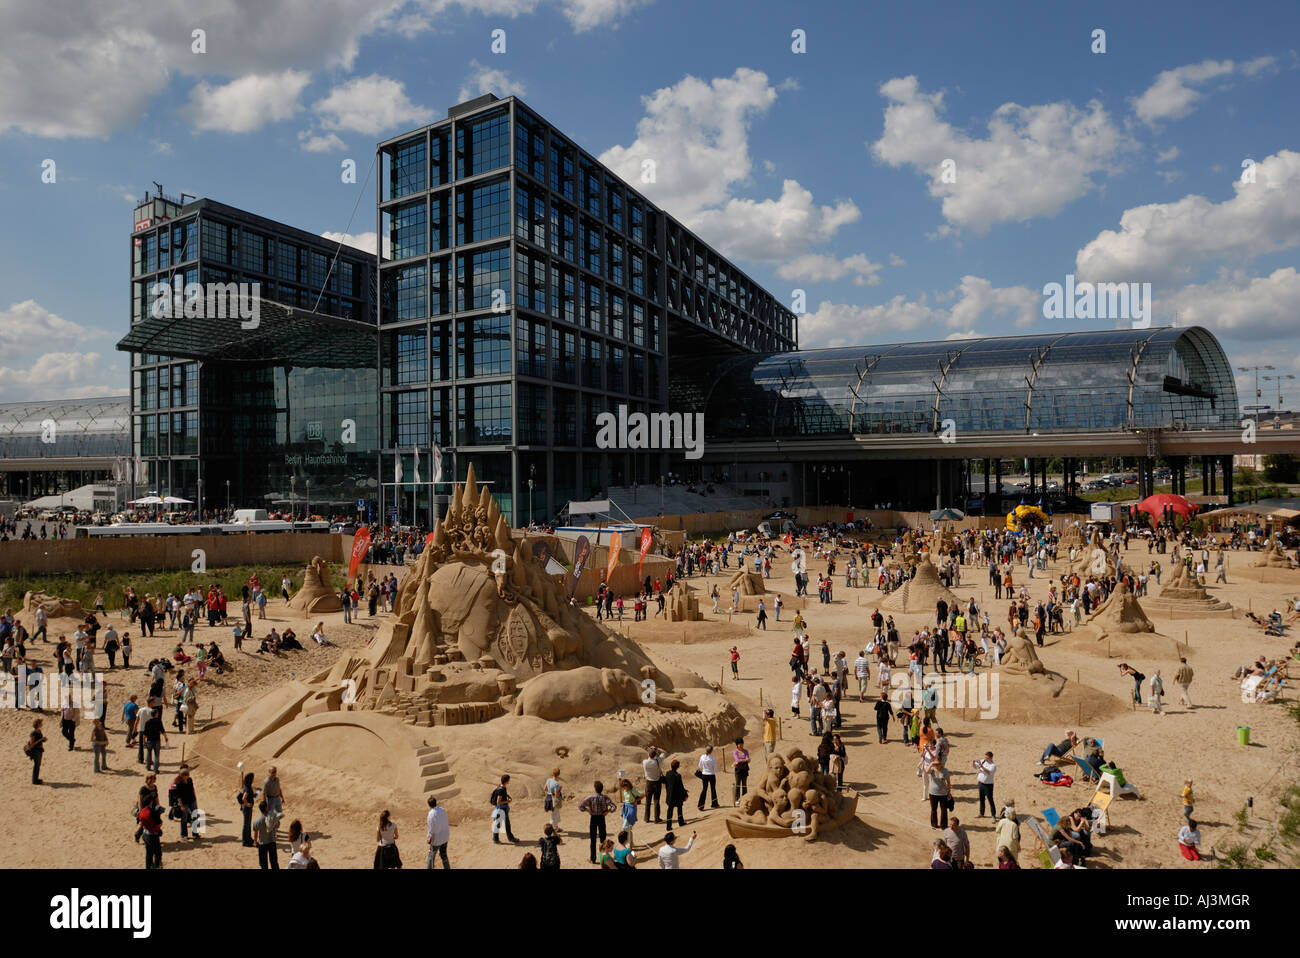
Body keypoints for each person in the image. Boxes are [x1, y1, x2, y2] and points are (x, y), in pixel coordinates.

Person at [577, 780, 616, 864]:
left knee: (593, 840)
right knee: (603, 839)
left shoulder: (591, 798)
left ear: (595, 788)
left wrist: (587, 810)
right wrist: (608, 811)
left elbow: (580, 806)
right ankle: (605, 858)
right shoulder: (605, 798)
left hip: (593, 818)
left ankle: (593, 859)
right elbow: (614, 807)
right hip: (602, 818)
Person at [138, 786, 163, 869]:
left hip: (145, 834)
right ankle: (157, 867)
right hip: (153, 835)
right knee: (157, 853)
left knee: (148, 854)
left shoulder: (141, 812)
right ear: (151, 802)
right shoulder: (152, 812)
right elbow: (159, 824)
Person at [253, 799, 281, 869]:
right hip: (272, 842)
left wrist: (255, 842)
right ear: (266, 808)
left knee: (263, 864)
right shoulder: (272, 818)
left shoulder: (257, 821)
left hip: (262, 843)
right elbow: (278, 825)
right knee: (274, 863)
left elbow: (255, 832)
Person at [490, 774, 518, 843]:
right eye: (509, 780)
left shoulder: (501, 787)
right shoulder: (501, 790)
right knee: (506, 824)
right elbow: (498, 801)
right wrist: (507, 801)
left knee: (499, 824)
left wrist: (507, 795)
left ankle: (496, 839)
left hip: (499, 809)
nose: (509, 781)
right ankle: (510, 838)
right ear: (506, 781)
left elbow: (500, 796)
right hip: (501, 809)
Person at [426, 795, 451, 869]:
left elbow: (431, 829)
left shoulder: (430, 814)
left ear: (429, 805)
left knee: (431, 857)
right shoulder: (442, 809)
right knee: (444, 856)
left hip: (436, 840)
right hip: (445, 837)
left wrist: (429, 838)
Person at [927, 760, 952, 830]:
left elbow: (948, 782)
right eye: (936, 764)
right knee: (933, 809)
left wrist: (949, 792)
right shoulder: (932, 769)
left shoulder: (945, 770)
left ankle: (943, 826)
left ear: (941, 764)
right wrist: (931, 763)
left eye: (938, 764)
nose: (937, 765)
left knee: (944, 810)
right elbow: (926, 771)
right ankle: (934, 824)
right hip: (933, 793)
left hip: (943, 793)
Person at [662, 759, 688, 829]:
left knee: (670, 810)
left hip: (670, 796)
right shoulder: (678, 775)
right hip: (677, 796)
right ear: (677, 767)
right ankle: (681, 822)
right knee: (679, 808)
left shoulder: (668, 773)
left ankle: (668, 826)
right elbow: (681, 786)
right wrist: (685, 793)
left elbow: (665, 782)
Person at [618, 777, 642, 847]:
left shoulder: (633, 790)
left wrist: (636, 801)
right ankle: (631, 842)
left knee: (625, 827)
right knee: (628, 827)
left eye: (625, 787)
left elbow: (643, 795)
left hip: (631, 808)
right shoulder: (625, 790)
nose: (624, 788)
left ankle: (628, 843)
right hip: (625, 807)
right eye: (623, 787)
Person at [696, 745, 719, 810]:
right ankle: (714, 803)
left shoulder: (702, 757)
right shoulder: (712, 759)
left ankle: (701, 805)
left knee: (704, 790)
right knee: (713, 789)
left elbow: (700, 766)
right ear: (711, 751)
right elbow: (715, 770)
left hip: (704, 774)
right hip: (711, 775)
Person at [25, 717, 47, 785]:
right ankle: (34, 780)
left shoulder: (39, 731)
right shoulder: (33, 733)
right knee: (36, 765)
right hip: (35, 750)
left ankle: (36, 779)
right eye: (41, 723)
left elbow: (39, 740)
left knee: (38, 765)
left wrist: (43, 740)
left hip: (40, 749)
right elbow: (32, 744)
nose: (42, 724)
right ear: (38, 724)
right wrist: (40, 740)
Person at [975, 751, 996, 817]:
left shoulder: (993, 765)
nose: (985, 758)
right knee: (981, 799)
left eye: (987, 758)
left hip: (988, 785)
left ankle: (993, 815)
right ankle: (981, 813)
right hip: (981, 784)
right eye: (985, 757)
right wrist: (973, 762)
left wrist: (981, 766)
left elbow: (989, 772)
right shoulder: (983, 761)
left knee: (990, 800)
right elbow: (975, 767)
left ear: (991, 758)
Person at [238, 772, 257, 847]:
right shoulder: (248, 788)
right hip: (247, 808)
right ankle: (245, 841)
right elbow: (244, 798)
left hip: (247, 808)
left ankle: (248, 839)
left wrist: (257, 792)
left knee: (248, 824)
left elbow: (252, 796)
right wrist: (247, 804)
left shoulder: (247, 786)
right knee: (246, 824)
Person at [732, 738, 751, 805]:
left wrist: (742, 760)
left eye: (742, 744)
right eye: (740, 744)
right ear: (737, 745)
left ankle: (744, 798)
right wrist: (744, 760)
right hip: (738, 770)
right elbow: (737, 760)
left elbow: (749, 759)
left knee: (744, 784)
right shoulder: (735, 752)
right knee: (737, 784)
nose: (741, 745)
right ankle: (737, 799)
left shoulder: (746, 751)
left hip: (745, 769)